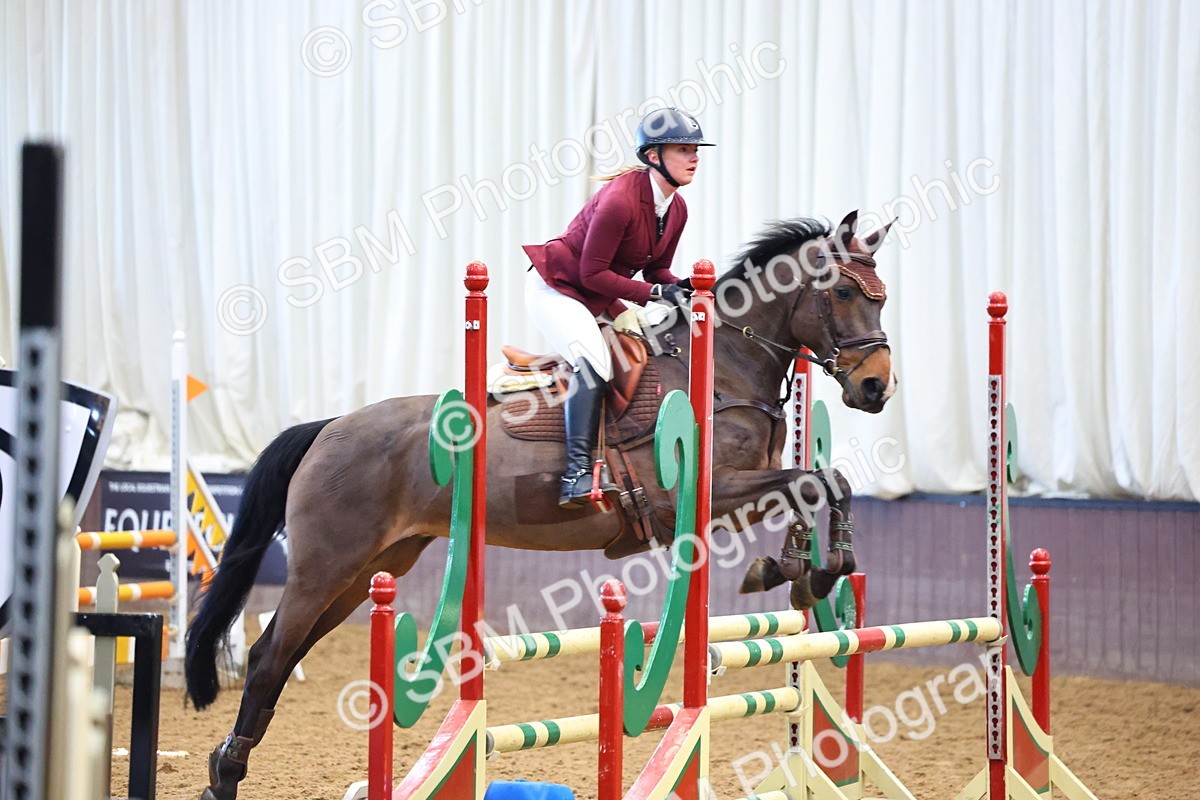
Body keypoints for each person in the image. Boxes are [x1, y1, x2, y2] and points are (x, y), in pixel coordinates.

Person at [522, 108, 715, 508]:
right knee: (594, 360)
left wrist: (688, 288)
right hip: (558, 287)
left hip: (596, 292)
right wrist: (658, 295)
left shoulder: (675, 208)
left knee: (652, 347)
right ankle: (575, 475)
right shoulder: (620, 200)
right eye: (684, 149)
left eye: (696, 149)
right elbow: (593, 275)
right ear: (654, 156)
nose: (694, 157)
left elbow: (655, 269)